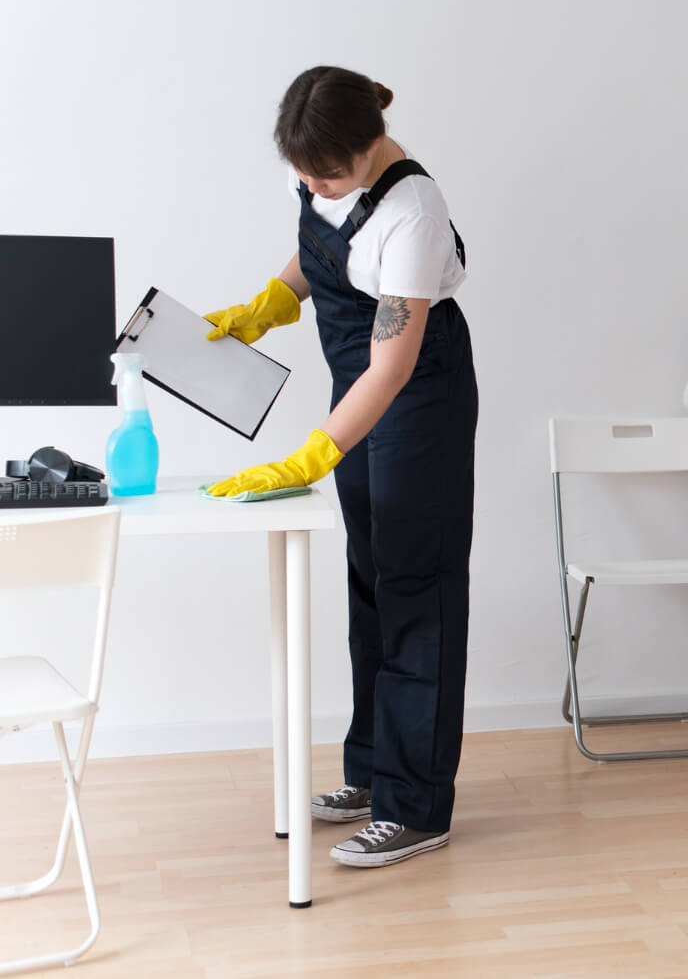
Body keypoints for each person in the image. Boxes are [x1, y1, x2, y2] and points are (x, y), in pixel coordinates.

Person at [205, 65, 479, 867]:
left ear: (369, 146)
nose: (313, 184)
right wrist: (268, 304)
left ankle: (418, 806)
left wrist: (313, 451)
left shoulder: (414, 213)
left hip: (414, 396)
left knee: (416, 589)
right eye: (302, 172)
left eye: (327, 172)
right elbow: (319, 248)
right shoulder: (323, 169)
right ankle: (372, 773)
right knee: (371, 581)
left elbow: (391, 367)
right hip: (357, 390)